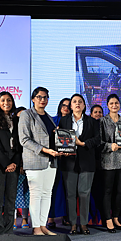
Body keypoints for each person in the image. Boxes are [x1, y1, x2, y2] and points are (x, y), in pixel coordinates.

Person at [18, 87, 61, 236]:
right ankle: (36, 227)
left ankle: (43, 226)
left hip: (51, 161)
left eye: (45, 97)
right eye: (40, 97)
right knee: (36, 194)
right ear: (33, 99)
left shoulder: (49, 117)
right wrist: (44, 150)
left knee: (47, 194)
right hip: (35, 160)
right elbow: (24, 139)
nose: (43, 100)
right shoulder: (26, 114)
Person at [59, 93, 101, 235]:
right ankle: (72, 224)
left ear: (84, 105)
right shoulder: (63, 121)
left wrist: (82, 143)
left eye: (80, 102)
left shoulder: (92, 122)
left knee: (84, 194)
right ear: (70, 106)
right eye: (74, 102)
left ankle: (83, 223)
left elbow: (97, 140)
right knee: (70, 194)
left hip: (87, 162)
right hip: (68, 162)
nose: (77, 104)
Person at [0, 92, 21, 235]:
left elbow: (20, 143)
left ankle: (9, 228)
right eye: (3, 100)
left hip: (14, 161)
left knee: (11, 197)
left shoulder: (17, 120)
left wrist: (15, 163)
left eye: (9, 100)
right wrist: (6, 163)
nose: (6, 103)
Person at [99, 94, 121, 233]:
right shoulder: (102, 121)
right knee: (107, 191)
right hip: (108, 161)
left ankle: (116, 216)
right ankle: (108, 219)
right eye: (111, 103)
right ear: (107, 105)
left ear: (119, 105)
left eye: (116, 103)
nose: (114, 105)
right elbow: (98, 142)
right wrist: (109, 146)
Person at [48, 98, 72, 229]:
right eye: (63, 105)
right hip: (54, 158)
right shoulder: (52, 120)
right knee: (53, 189)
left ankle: (66, 216)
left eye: (68, 106)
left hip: (69, 160)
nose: (66, 108)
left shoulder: (73, 122)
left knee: (67, 190)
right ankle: (50, 217)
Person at [13, 107, 30, 229]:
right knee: (13, 194)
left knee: (26, 194)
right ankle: (13, 220)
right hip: (13, 166)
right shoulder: (12, 130)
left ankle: (25, 219)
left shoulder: (30, 130)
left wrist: (24, 164)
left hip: (28, 165)